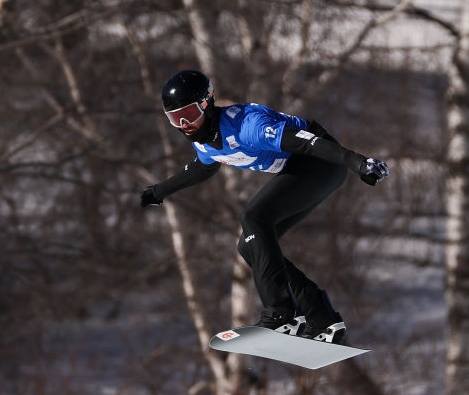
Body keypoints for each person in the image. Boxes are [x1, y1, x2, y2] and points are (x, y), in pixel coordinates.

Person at [140, 69, 389, 344]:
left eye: (189, 113)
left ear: (207, 102)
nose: (185, 124)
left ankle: (281, 314)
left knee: (254, 218)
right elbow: (201, 169)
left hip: (321, 162)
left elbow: (310, 143)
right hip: (304, 168)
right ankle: (322, 318)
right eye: (175, 118)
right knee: (251, 246)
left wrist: (359, 163)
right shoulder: (205, 141)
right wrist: (157, 192)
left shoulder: (249, 126)